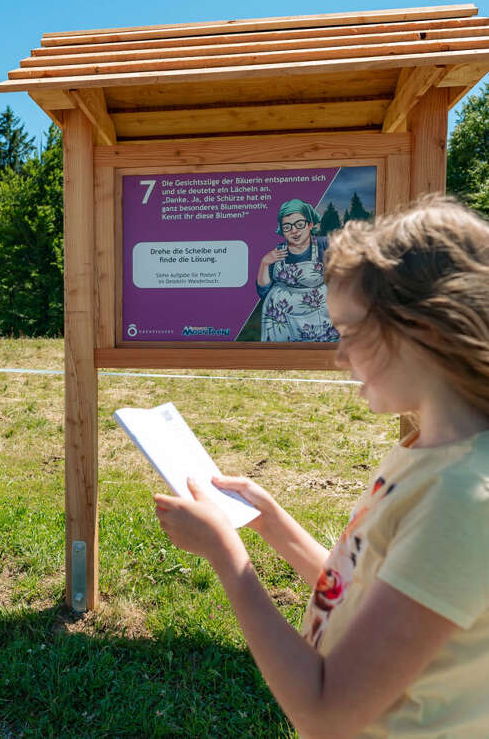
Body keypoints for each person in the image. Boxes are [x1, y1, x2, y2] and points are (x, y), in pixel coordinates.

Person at [156, 196, 489, 738]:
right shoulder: (428, 452)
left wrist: (227, 555)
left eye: (351, 333)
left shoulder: (463, 497)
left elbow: (325, 711)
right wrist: (271, 523)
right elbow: (358, 596)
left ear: (426, 329)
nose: (339, 357)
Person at [256, 198, 338, 342]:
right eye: (287, 227)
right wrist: (264, 263)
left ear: (310, 224)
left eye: (299, 224)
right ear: (282, 230)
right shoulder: (278, 252)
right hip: (281, 318)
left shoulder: (324, 245)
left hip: (318, 315)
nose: (294, 231)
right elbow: (263, 292)